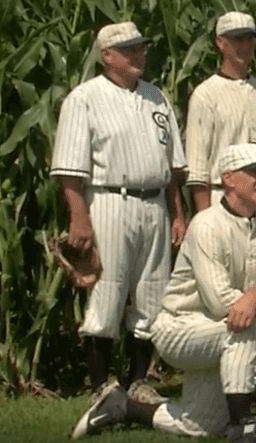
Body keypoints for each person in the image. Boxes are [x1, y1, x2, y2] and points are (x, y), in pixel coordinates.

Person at [70, 144, 256, 443]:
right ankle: (244, 426)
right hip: (181, 327)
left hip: (218, 332)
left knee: (202, 425)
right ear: (228, 179)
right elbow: (220, 302)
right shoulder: (207, 225)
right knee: (243, 328)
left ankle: (124, 407)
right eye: (253, 172)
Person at [51, 21, 187, 408]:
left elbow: (174, 167)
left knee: (153, 295)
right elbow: (69, 169)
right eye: (129, 50)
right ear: (106, 55)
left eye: (140, 48)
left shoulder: (157, 98)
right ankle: (100, 386)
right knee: (107, 294)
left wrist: (178, 214)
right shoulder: (84, 98)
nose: (138, 55)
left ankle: (138, 382)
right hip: (109, 199)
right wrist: (79, 219)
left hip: (155, 203)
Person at [186, 12, 256, 211]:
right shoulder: (206, 94)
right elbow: (197, 167)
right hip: (223, 198)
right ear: (221, 42)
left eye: (250, 39)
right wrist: (204, 216)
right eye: (238, 39)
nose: (246, 46)